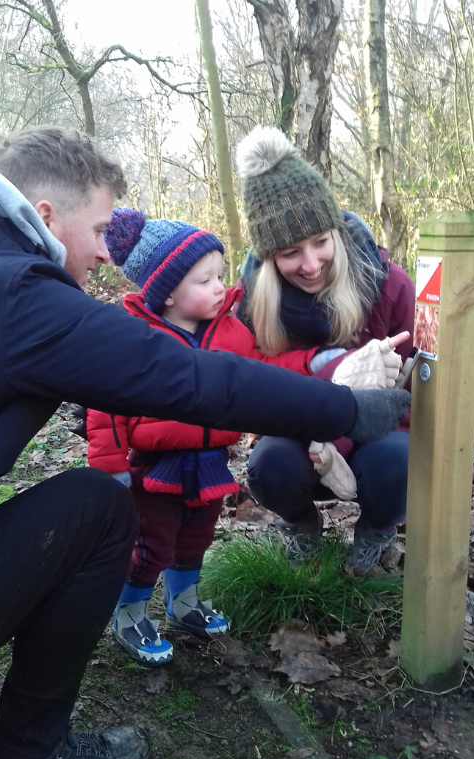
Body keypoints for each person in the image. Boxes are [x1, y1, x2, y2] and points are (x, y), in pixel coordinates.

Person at [0, 125, 410, 759]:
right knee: (102, 507)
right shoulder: (16, 292)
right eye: (101, 229)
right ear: (46, 217)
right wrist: (345, 410)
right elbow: (190, 379)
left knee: (85, 505)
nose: (104, 254)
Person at [86, 210, 331, 668]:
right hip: (156, 469)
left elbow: (264, 374)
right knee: (152, 543)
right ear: (167, 292)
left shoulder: (231, 333)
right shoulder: (138, 338)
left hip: (211, 462)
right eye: (205, 280)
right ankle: (130, 613)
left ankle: (184, 604)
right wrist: (110, 464)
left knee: (196, 537)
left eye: (219, 275)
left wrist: (314, 366)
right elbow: (106, 403)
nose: (221, 286)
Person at [235, 125, 416, 569]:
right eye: (291, 252)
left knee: (402, 463)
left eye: (320, 241)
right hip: (299, 440)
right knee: (268, 467)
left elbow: (413, 396)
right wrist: (326, 388)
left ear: (336, 231)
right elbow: (252, 387)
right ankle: (301, 523)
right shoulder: (252, 304)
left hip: (378, 437)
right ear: (269, 257)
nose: (311, 264)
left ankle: (376, 528)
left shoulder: (390, 285)